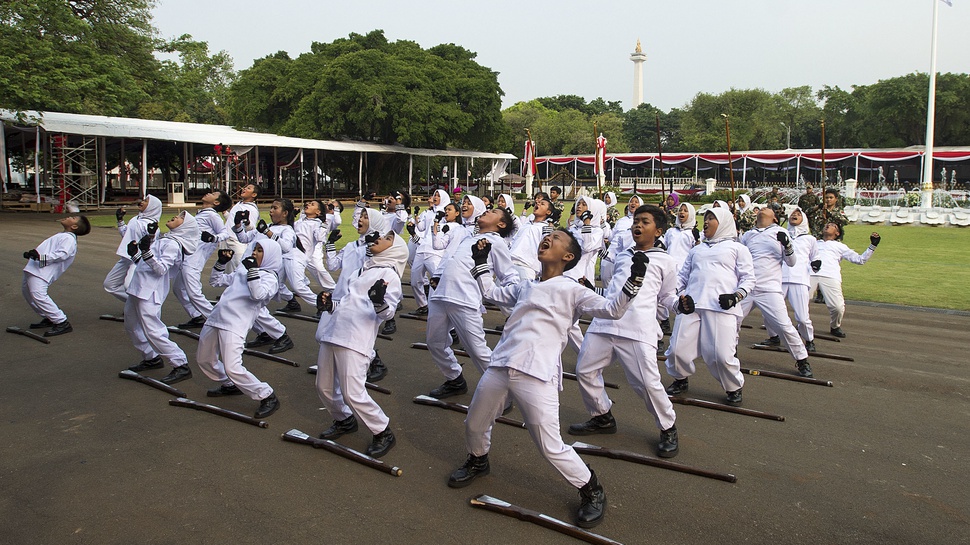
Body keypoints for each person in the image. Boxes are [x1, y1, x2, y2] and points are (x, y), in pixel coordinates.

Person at [447, 229, 646, 529]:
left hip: (537, 373)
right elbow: (490, 292)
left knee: (549, 445)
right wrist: (480, 262)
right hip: (501, 364)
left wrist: (634, 280)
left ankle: (591, 488)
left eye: (556, 238)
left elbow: (612, 309)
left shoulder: (573, 290)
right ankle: (478, 460)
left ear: (567, 257)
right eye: (547, 235)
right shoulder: (527, 286)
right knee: (474, 423)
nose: (547, 238)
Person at [571, 205, 680, 458]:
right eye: (635, 221)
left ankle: (668, 427)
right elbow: (612, 293)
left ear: (659, 230)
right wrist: (592, 289)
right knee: (585, 370)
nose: (637, 226)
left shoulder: (666, 261)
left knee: (646, 383)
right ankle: (602, 416)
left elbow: (667, 297)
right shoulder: (622, 255)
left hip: (637, 328)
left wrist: (680, 305)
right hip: (605, 323)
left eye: (644, 222)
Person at [314, 230, 409, 458]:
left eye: (387, 238)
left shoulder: (390, 274)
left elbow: (387, 313)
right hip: (334, 331)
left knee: (352, 393)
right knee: (323, 387)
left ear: (395, 249)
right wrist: (329, 306)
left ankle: (382, 430)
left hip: (356, 339)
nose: (379, 239)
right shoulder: (362, 269)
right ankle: (344, 420)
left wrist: (379, 302)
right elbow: (348, 303)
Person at [425, 207, 518, 399]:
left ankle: (502, 392)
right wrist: (439, 277)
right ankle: (454, 379)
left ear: (500, 224)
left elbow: (508, 274)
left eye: (492, 212)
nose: (486, 212)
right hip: (441, 294)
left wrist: (514, 297)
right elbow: (452, 261)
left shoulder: (496, 242)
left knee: (477, 350)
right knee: (435, 342)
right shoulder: (468, 238)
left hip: (465, 299)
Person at [665, 207, 755, 405]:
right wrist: (674, 294)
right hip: (692, 305)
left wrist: (735, 296)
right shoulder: (697, 250)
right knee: (677, 349)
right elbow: (682, 276)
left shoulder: (737, 248)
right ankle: (680, 379)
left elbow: (748, 279)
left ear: (723, 222)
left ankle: (733, 387)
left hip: (721, 306)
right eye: (704, 219)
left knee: (720, 355)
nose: (705, 222)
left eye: (711, 218)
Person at [196, 239, 283, 419]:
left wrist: (252, 271)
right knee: (204, 359)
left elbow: (258, 295)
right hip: (217, 317)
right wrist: (221, 263)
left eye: (260, 251)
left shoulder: (270, 277)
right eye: (255, 249)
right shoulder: (243, 270)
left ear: (270, 256)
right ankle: (230, 384)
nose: (254, 253)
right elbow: (215, 281)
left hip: (235, 323)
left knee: (233, 366)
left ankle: (266, 395)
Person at [124, 211, 200, 385]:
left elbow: (161, 269)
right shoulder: (163, 239)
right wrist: (136, 254)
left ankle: (180, 364)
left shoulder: (172, 245)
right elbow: (146, 265)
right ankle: (151, 357)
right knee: (131, 325)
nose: (176, 216)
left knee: (153, 331)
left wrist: (146, 252)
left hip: (150, 292)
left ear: (185, 226)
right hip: (138, 287)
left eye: (181, 217)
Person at [738, 207, 813, 378]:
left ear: (775, 218)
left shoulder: (780, 232)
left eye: (768, 209)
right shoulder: (748, 235)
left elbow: (792, 262)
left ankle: (802, 360)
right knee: (730, 320)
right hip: (747, 288)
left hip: (769, 289)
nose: (763, 209)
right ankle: (730, 355)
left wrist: (787, 245)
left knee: (783, 326)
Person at [324, 207, 390, 381]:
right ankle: (335, 364)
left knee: (355, 338)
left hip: (357, 298)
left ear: (375, 222)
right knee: (323, 334)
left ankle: (374, 362)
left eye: (365, 216)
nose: (360, 219)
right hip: (338, 296)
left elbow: (370, 268)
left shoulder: (378, 248)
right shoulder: (350, 246)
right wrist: (330, 244)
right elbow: (332, 266)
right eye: (360, 216)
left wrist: (370, 248)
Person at [236, 199, 296, 355]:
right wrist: (238, 225)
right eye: (271, 207)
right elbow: (244, 239)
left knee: (253, 306)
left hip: (265, 274)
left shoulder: (287, 230)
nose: (270, 210)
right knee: (250, 306)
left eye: (275, 208)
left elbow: (286, 247)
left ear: (285, 213)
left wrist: (268, 233)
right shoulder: (267, 228)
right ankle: (264, 333)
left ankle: (281, 335)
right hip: (248, 268)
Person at [22, 215, 91, 337]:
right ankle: (49, 317)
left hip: (43, 271)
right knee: (28, 294)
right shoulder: (62, 236)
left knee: (39, 295)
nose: (69, 216)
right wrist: (33, 255)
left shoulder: (68, 239)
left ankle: (61, 321)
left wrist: (41, 257)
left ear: (74, 226)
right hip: (35, 268)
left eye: (73, 218)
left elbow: (62, 254)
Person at [809, 223, 880, 338]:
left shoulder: (840, 246)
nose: (827, 226)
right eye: (826, 225)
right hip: (810, 274)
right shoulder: (813, 243)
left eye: (832, 226)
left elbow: (860, 260)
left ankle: (835, 326)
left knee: (837, 307)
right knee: (799, 301)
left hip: (830, 276)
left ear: (837, 233)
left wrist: (872, 246)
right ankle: (802, 324)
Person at [174, 190, 232, 328]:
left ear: (216, 202)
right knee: (178, 289)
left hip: (194, 259)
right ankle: (197, 316)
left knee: (194, 293)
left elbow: (225, 233)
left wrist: (213, 238)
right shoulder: (203, 213)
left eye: (213, 193)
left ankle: (220, 322)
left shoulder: (213, 215)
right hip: (187, 256)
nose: (208, 193)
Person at [765, 207, 820, 352]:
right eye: (793, 214)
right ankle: (773, 337)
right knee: (770, 311)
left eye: (798, 214)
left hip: (799, 280)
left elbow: (816, 257)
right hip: (779, 278)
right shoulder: (780, 234)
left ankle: (809, 340)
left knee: (802, 317)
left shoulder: (809, 239)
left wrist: (816, 265)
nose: (794, 215)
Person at [104, 195, 162, 303]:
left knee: (129, 285)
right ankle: (133, 306)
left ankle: (144, 308)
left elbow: (152, 246)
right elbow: (126, 235)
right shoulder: (136, 219)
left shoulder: (151, 225)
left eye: (145, 201)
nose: (141, 202)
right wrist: (120, 220)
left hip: (138, 260)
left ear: (152, 206)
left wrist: (151, 236)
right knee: (110, 284)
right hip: (126, 257)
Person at [409, 189, 451, 315]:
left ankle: (446, 307)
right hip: (422, 249)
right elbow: (421, 227)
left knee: (439, 281)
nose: (435, 197)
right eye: (434, 195)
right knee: (415, 280)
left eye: (438, 195)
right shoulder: (428, 213)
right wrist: (416, 218)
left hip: (436, 251)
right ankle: (423, 305)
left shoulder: (446, 213)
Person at [224, 183, 260, 272]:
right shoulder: (239, 204)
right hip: (227, 241)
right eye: (245, 187)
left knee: (239, 271)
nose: (244, 189)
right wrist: (225, 213)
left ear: (254, 194)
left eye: (248, 188)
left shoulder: (251, 209)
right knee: (227, 273)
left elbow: (251, 228)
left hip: (237, 243)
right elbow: (232, 220)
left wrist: (247, 222)